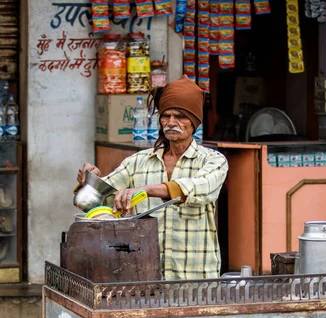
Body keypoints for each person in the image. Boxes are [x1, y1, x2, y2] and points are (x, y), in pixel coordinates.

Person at [77, 75, 228, 280]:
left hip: (195, 278)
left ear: (194, 123)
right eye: (166, 116)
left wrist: (145, 190)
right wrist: (90, 181)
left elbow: (197, 188)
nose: (171, 123)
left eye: (180, 117)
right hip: (144, 276)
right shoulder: (138, 162)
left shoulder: (213, 161)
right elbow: (98, 201)